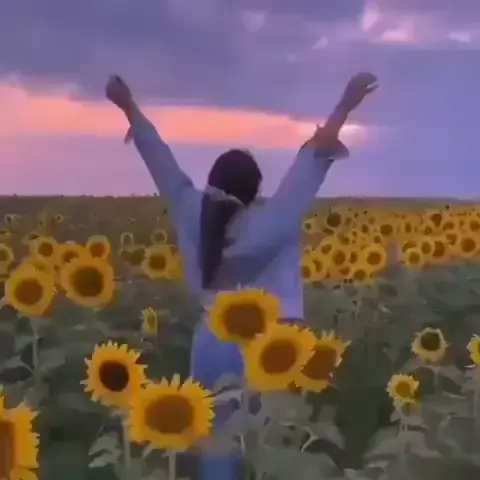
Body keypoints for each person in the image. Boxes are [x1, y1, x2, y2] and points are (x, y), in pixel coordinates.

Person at [105, 72, 378, 480]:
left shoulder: (189, 209)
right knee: (262, 449)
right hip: (261, 347)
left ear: (211, 182)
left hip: (208, 340)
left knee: (216, 445)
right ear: (255, 191)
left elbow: (161, 161)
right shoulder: (273, 223)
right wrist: (345, 104)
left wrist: (128, 107)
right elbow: (309, 163)